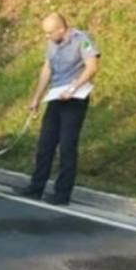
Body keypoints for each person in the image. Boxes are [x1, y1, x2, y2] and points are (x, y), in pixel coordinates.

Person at [16, 13, 100, 206]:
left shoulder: (81, 39)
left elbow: (92, 66)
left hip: (75, 98)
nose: (47, 37)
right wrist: (36, 97)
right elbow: (47, 69)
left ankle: (62, 193)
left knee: (67, 146)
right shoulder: (52, 43)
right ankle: (36, 186)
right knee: (45, 143)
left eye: (49, 33)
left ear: (61, 29)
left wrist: (73, 88)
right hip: (56, 96)